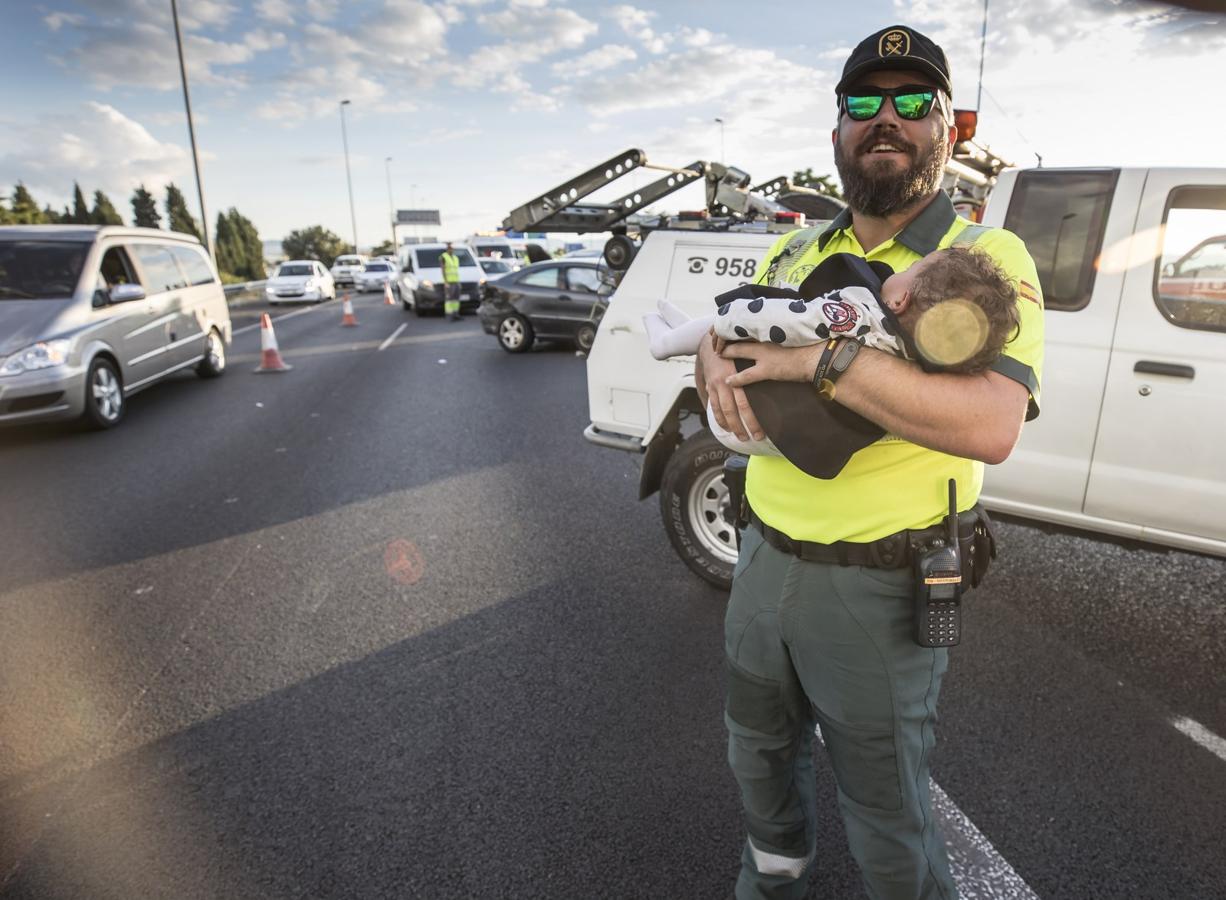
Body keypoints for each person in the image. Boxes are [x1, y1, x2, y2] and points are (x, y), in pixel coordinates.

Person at [694, 25, 1044, 899]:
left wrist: (831, 363)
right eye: (862, 102)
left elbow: (993, 422)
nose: (884, 118)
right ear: (838, 132)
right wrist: (707, 346)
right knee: (758, 772)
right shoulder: (793, 252)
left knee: (889, 827)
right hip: (762, 561)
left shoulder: (984, 262)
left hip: (880, 595)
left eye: (913, 102)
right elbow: (733, 328)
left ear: (947, 133)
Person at [643, 245, 1019, 471]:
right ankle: (688, 334)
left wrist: (724, 324)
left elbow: (782, 320)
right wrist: (709, 350)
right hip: (768, 453)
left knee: (733, 316)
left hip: (747, 426)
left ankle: (667, 341)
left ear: (899, 300)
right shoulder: (918, 354)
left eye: (906, 270)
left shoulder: (858, 310)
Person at [440, 242, 461, 320]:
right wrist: (445, 282)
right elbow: (443, 270)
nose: (451, 249)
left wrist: (458, 282)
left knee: (456, 299)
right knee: (449, 299)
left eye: (452, 248)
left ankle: (456, 314)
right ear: (447, 249)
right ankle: (449, 315)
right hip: (449, 282)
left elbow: (456, 270)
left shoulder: (455, 258)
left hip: (456, 281)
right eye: (449, 248)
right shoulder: (444, 257)